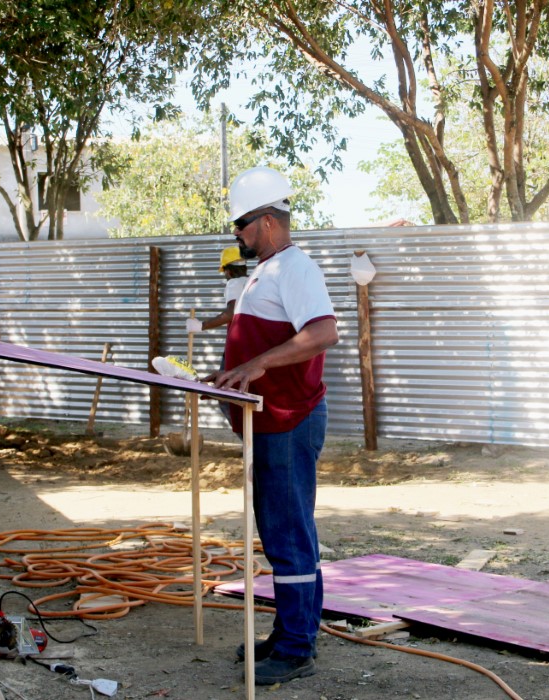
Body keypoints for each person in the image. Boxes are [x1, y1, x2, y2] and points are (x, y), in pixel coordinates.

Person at [206, 166, 339, 685]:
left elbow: (323, 332)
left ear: (265, 221)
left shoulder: (296, 268)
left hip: (290, 419)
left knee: (289, 534)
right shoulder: (267, 270)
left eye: (240, 224)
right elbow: (260, 344)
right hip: (269, 420)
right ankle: (289, 633)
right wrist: (229, 373)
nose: (236, 234)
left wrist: (257, 366)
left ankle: (298, 646)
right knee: (282, 531)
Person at [187, 246, 249, 333]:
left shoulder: (234, 283)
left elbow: (230, 313)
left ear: (227, 271)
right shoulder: (251, 281)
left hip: (241, 337)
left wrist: (201, 326)